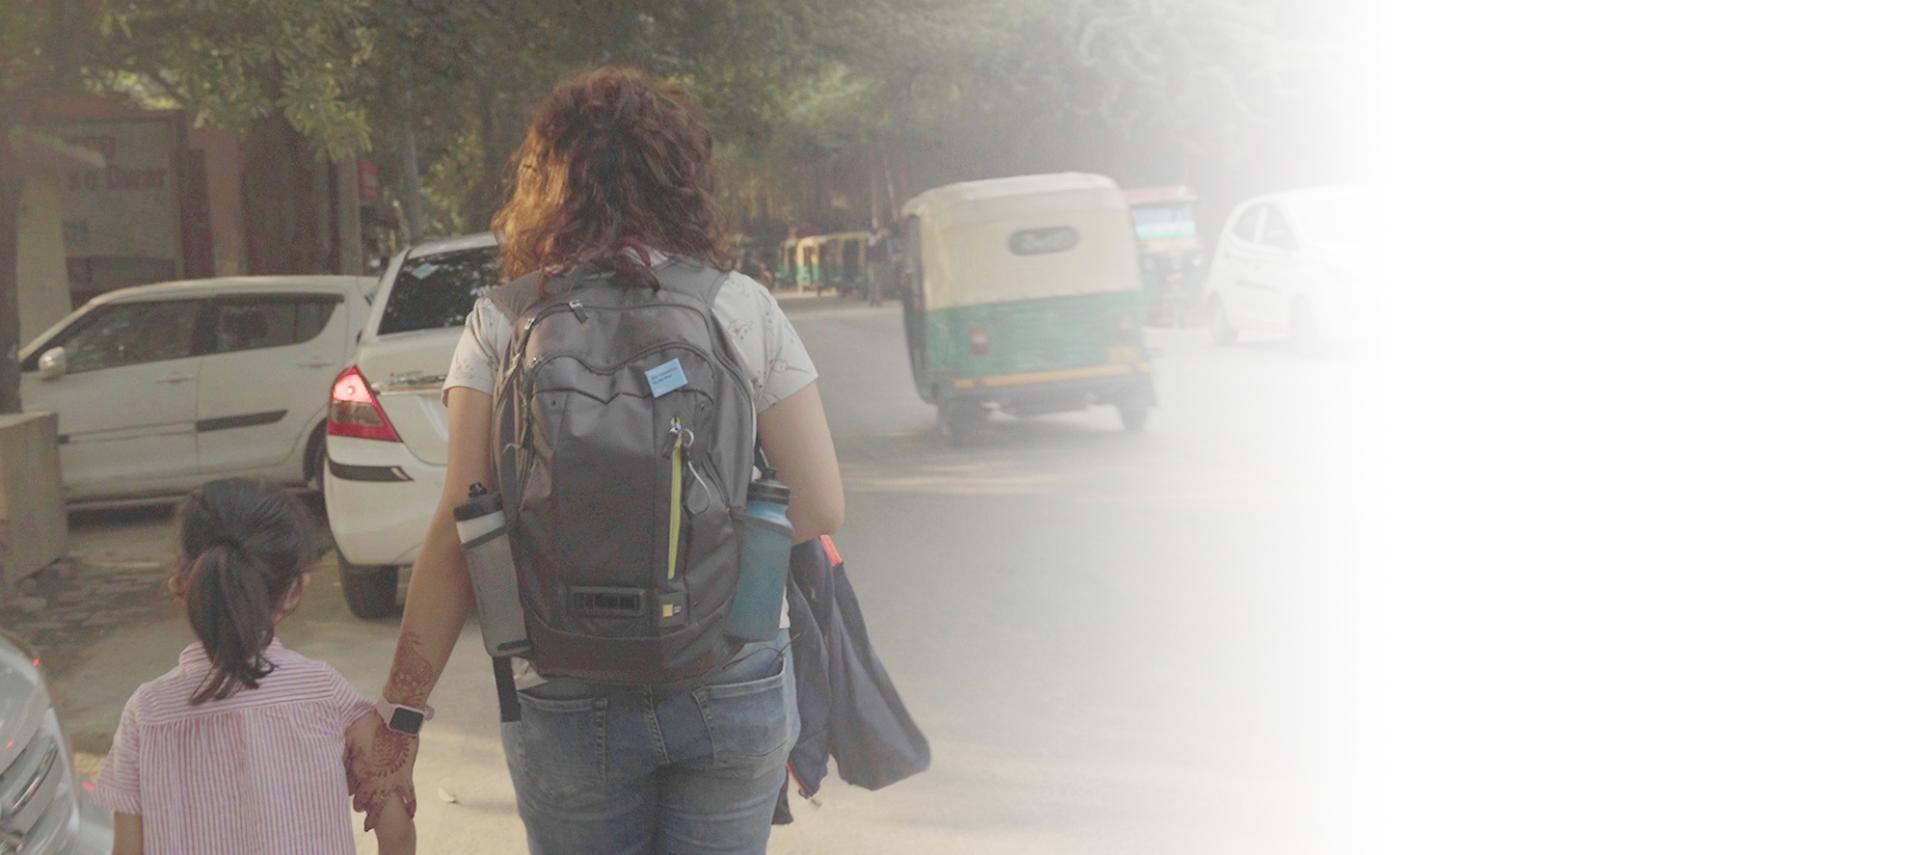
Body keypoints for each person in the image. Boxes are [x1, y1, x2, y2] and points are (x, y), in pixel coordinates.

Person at [353, 65, 844, 855]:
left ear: (545, 184)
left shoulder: (502, 321)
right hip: (727, 675)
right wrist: (694, 562)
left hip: (562, 685)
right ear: (680, 177)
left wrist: (401, 715)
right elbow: (820, 505)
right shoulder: (736, 305)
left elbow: (458, 528)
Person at [92, 479, 415, 855]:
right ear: (296, 590)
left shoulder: (147, 714)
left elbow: (127, 849)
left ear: (182, 588)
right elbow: (394, 824)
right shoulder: (324, 692)